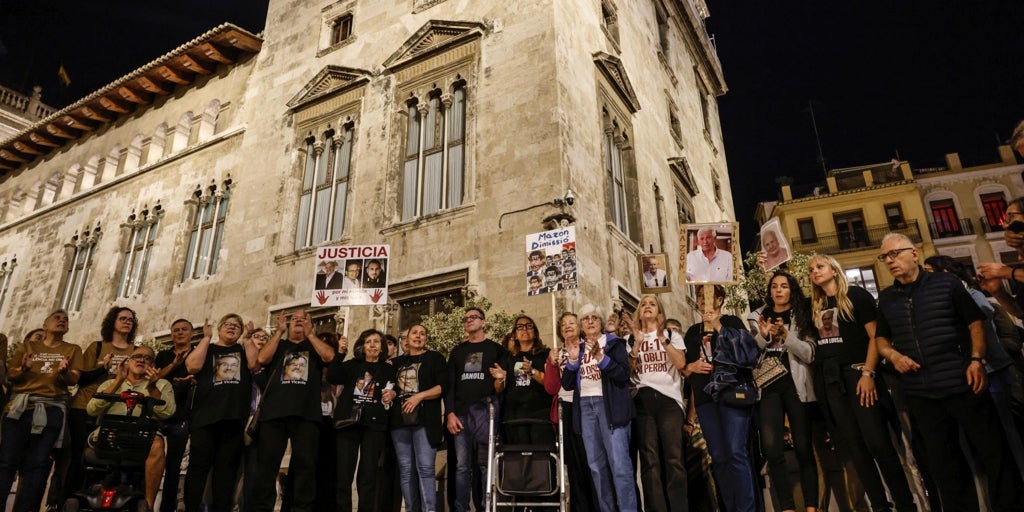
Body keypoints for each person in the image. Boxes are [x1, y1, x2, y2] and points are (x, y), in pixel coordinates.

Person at [875, 233, 1022, 510]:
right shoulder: (887, 298)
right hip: (922, 392)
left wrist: (977, 359)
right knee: (945, 465)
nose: (889, 261)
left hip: (962, 381)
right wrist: (893, 355)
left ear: (914, 253)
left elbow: (974, 322)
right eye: (885, 257)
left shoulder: (946, 283)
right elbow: (881, 339)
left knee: (993, 452)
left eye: (894, 254)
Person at [808, 254, 916, 511]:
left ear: (834, 270)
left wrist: (868, 373)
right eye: (811, 269)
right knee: (856, 449)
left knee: (878, 443)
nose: (814, 272)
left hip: (859, 374)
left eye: (820, 266)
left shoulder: (856, 296)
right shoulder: (815, 304)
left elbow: (875, 338)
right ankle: (880, 506)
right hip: (833, 382)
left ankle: (905, 504)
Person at [747, 272, 819, 512]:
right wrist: (762, 336)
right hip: (768, 388)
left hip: (797, 387)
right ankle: (787, 507)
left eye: (784, 286)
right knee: (771, 448)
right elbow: (749, 356)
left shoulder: (802, 315)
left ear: (792, 290)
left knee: (803, 446)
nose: (778, 290)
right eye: (774, 286)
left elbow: (809, 353)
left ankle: (811, 506)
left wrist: (787, 337)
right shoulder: (757, 316)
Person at [251, 310, 336, 512]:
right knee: (266, 469)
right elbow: (261, 359)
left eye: (304, 318)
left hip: (306, 415)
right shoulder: (278, 344)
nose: (299, 320)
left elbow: (330, 356)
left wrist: (311, 335)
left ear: (311, 324)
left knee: (306, 469)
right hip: (274, 414)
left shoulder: (313, 345)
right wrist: (279, 332)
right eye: (294, 319)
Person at [682, 286, 758, 512]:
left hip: (732, 393)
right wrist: (691, 366)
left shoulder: (732, 322)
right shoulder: (692, 331)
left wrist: (717, 325)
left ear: (719, 299)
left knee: (736, 452)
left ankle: (747, 508)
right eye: (698, 296)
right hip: (706, 398)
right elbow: (684, 367)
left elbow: (747, 354)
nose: (702, 300)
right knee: (719, 457)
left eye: (707, 295)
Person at [0, 310, 82, 512]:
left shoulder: (72, 349)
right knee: (6, 462)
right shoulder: (28, 346)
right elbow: (11, 374)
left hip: (51, 409)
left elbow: (74, 379)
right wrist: (24, 368)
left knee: (38, 465)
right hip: (19, 409)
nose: (62, 320)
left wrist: (63, 373)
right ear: (45, 326)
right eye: (57, 318)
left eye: (65, 319)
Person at [560, 304, 637, 512]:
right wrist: (573, 360)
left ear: (601, 322)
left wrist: (602, 359)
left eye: (595, 317)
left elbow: (623, 375)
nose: (590, 321)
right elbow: (566, 384)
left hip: (609, 407)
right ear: (581, 325)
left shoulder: (614, 344)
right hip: (585, 407)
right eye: (585, 318)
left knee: (620, 467)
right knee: (596, 467)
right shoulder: (578, 347)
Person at [183, 314, 260, 512]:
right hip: (205, 419)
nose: (232, 328)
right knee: (198, 468)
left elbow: (254, 364)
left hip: (233, 419)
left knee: (225, 471)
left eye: (237, 326)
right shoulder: (209, 348)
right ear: (219, 328)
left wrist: (248, 338)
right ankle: (191, 507)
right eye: (228, 324)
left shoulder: (242, 349)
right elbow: (192, 365)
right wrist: (206, 338)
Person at [63, 306, 139, 502]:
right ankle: (67, 499)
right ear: (112, 321)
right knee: (79, 456)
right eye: (122, 318)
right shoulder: (97, 347)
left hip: (117, 411)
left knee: (110, 457)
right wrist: (102, 368)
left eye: (130, 319)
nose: (127, 321)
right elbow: (81, 378)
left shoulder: (136, 351)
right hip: (85, 406)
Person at [87, 346, 175, 511]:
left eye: (147, 358)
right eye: (137, 356)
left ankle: (148, 505)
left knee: (157, 443)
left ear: (153, 364)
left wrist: (152, 388)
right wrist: (118, 381)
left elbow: (167, 412)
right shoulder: (109, 382)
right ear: (128, 361)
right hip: (110, 434)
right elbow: (92, 410)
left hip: (143, 436)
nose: (141, 360)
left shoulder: (162, 384)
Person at [627, 295, 688, 512]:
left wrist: (662, 338)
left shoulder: (672, 334)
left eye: (652, 304)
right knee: (649, 461)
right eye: (643, 304)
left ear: (659, 311)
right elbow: (627, 372)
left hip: (669, 400)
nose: (647, 307)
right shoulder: (631, 338)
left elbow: (681, 363)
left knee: (674, 459)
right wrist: (636, 346)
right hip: (643, 399)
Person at [445, 307, 507, 512]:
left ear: (483, 322)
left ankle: (486, 507)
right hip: (461, 414)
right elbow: (450, 386)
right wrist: (450, 414)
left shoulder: (496, 349)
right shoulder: (457, 352)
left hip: (486, 414)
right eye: (466, 318)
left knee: (485, 465)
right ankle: (461, 508)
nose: (469, 320)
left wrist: (500, 379)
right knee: (462, 467)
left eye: (474, 317)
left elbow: (500, 387)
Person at [327, 329, 396, 511]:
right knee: (344, 474)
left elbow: (397, 389)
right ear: (362, 347)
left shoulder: (389, 369)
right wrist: (340, 352)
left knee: (368, 476)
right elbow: (332, 376)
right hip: (348, 424)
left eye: (376, 341)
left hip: (374, 426)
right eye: (368, 342)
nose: (372, 345)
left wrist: (394, 393)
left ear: (382, 347)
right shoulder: (351, 365)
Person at [544, 313, 599, 512]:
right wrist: (551, 364)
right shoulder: (557, 353)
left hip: (588, 406)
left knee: (591, 461)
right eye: (563, 324)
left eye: (572, 323)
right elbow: (551, 388)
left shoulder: (590, 347)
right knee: (574, 465)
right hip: (565, 411)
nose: (568, 326)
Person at [390, 324, 447, 512]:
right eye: (414, 332)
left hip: (425, 421)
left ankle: (429, 510)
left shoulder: (435, 358)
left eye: (423, 333)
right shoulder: (396, 363)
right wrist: (388, 395)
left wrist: (419, 396)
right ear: (406, 339)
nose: (418, 336)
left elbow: (442, 387)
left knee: (425, 469)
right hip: (399, 422)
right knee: (406, 470)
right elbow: (391, 389)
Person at [154, 318, 197, 512]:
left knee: (175, 467)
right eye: (176, 330)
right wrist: (173, 365)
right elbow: (156, 378)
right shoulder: (163, 355)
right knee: (154, 464)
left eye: (184, 329)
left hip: (184, 416)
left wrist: (192, 381)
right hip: (161, 415)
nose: (179, 333)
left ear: (191, 333)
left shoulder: (199, 353)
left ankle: (168, 507)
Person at [493, 315, 552, 444]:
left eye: (528, 326)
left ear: (535, 333)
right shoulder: (508, 357)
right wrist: (501, 379)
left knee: (541, 458)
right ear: (515, 334)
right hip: (514, 416)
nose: (524, 329)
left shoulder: (545, 354)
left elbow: (550, 383)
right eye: (520, 326)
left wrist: (532, 371)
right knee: (516, 458)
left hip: (540, 415)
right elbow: (498, 388)